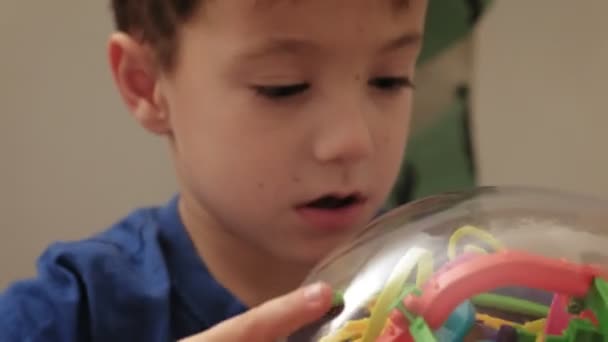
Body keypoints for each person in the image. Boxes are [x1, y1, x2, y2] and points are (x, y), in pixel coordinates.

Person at [0, 0, 428, 340]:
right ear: (145, 84)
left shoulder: (457, 282)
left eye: (389, 80)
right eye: (283, 87)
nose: (353, 141)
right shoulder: (69, 314)